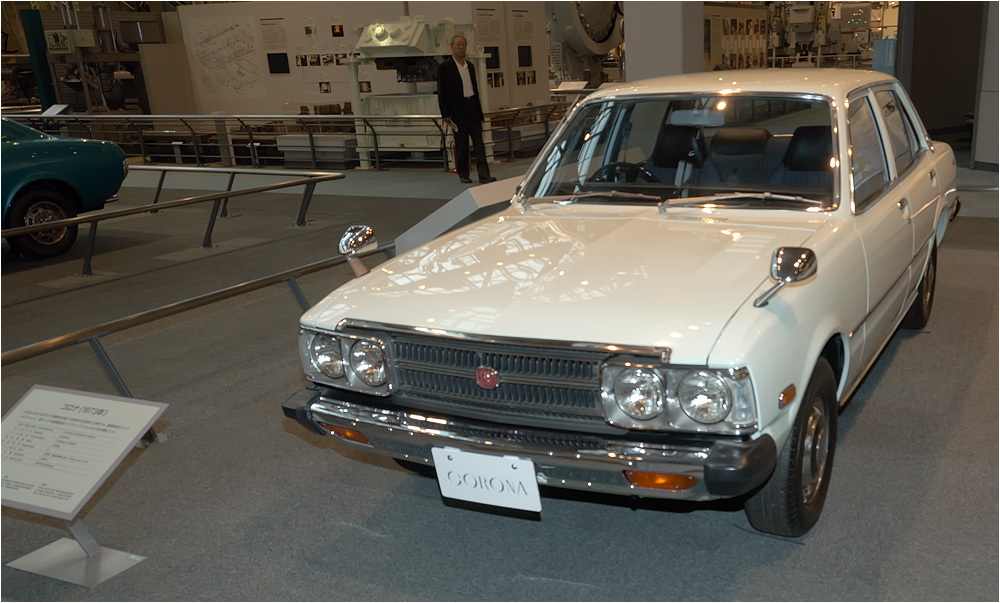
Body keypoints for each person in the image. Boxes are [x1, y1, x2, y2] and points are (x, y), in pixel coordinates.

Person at [437, 34, 496, 184]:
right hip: (457, 109)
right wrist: (446, 113)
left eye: (463, 45)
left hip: (472, 107)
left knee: (479, 143)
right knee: (462, 144)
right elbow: (442, 92)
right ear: (452, 47)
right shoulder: (445, 68)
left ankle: (484, 174)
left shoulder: (469, 65)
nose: (461, 48)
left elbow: (474, 88)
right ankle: (464, 173)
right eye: (458, 45)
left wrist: (479, 108)